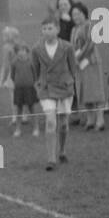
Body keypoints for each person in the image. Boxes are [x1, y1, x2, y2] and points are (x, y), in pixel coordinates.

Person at [30, 19, 79, 170]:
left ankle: (62, 150)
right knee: (51, 121)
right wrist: (39, 84)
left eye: (50, 28)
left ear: (57, 29)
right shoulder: (36, 49)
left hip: (64, 88)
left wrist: (69, 82)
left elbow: (73, 68)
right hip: (47, 89)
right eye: (44, 28)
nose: (47, 31)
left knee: (63, 124)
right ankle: (51, 158)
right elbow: (35, 69)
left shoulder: (67, 47)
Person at [69, 2, 106, 130]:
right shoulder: (74, 29)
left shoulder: (90, 25)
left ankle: (100, 120)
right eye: (73, 14)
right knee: (85, 92)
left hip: (91, 62)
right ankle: (90, 120)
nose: (76, 17)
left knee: (95, 91)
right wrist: (73, 58)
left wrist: (79, 56)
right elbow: (72, 46)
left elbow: (91, 43)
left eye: (78, 13)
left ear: (84, 13)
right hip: (80, 65)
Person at [0, 26, 40, 137]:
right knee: (23, 101)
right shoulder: (20, 47)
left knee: (16, 100)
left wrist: (2, 79)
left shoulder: (6, 48)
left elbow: (6, 65)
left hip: (18, 78)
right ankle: (24, 118)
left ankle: (16, 118)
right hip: (22, 78)